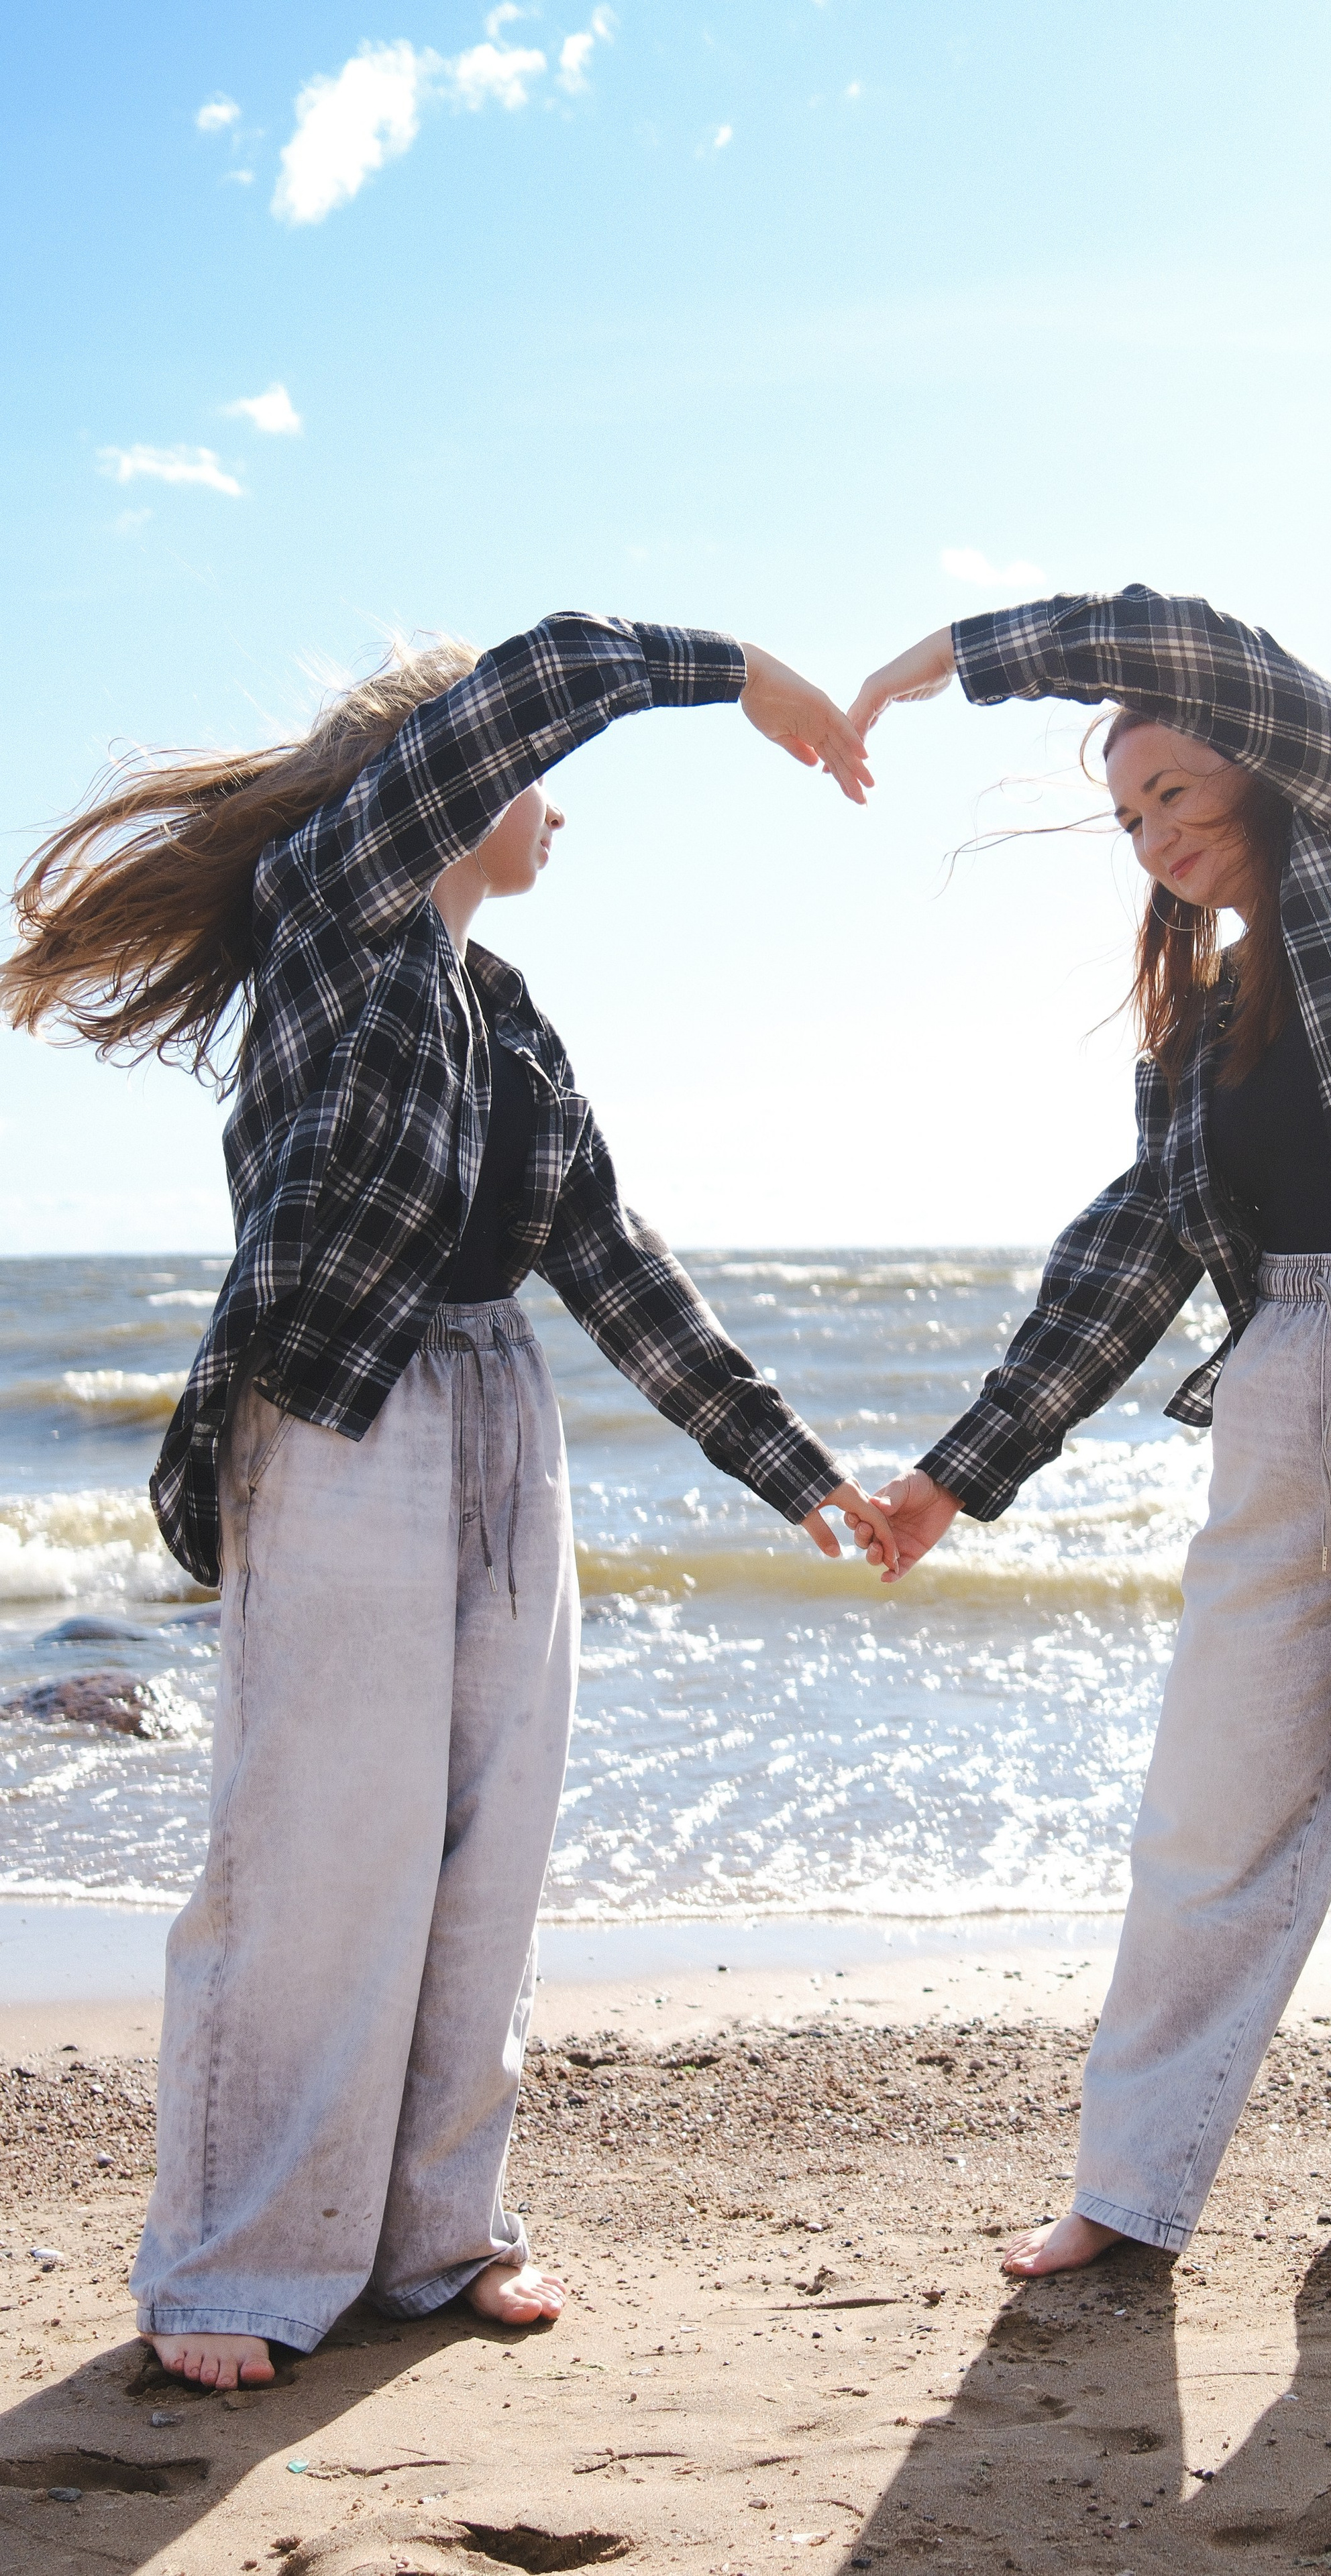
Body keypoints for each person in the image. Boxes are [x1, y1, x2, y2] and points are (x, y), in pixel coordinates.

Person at [2, 610, 896, 2388]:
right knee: (319, 1850)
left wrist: (796, 1469)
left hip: (503, 1424)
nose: (556, 808)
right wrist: (744, 682)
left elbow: (613, 1261)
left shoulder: (512, 1022)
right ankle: (234, 2268)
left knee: (490, 1850)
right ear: (459, 779)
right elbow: (549, 664)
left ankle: (431, 2236)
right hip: (339, 1415)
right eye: (531, 780)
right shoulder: (336, 909)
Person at [843, 585, 1331, 2279]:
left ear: (1266, 771)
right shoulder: (1199, 1023)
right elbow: (1130, 1250)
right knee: (1207, 1811)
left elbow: (1204, 650)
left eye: (1176, 792)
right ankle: (1127, 2194)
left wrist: (938, 663)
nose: (1154, 835)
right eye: (1128, 818)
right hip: (1282, 1387)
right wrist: (953, 1476)